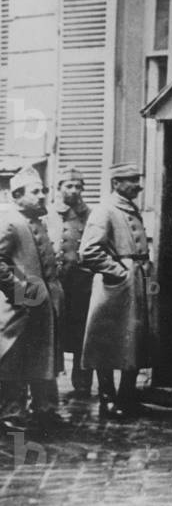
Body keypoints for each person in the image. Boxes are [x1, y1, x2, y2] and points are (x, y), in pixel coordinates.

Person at [79, 163, 153, 418]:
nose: (137, 185)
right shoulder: (105, 210)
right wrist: (119, 272)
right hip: (116, 286)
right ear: (116, 183)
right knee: (106, 341)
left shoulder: (130, 208)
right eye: (131, 180)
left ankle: (127, 396)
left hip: (136, 282)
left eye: (137, 179)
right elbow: (89, 251)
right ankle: (108, 398)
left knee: (134, 340)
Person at [0, 166, 64, 434]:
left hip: (45, 306)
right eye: (35, 192)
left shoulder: (39, 221)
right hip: (21, 307)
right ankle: (12, 411)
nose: (41, 196)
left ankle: (44, 408)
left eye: (43, 191)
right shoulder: (11, 222)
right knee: (14, 358)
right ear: (17, 196)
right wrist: (22, 292)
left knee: (44, 356)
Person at [46, 166, 93, 398]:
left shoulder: (91, 214)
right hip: (56, 283)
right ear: (59, 188)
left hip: (83, 284)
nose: (74, 190)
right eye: (69, 186)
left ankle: (82, 382)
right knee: (53, 332)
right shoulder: (48, 214)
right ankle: (48, 384)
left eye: (78, 186)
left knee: (83, 333)